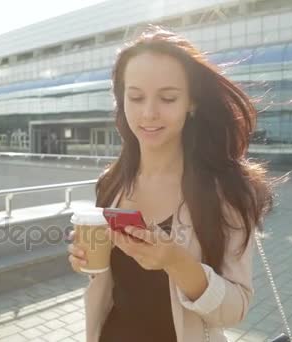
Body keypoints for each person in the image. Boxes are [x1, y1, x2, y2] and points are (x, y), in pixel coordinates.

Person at [67, 26, 275, 342]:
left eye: (167, 97)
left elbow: (236, 308)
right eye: (135, 97)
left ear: (191, 102)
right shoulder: (110, 184)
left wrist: (175, 262)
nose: (149, 113)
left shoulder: (227, 190)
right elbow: (110, 285)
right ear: (121, 99)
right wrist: (87, 262)